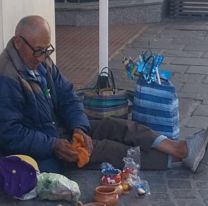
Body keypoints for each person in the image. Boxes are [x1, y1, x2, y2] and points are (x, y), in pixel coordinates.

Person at [0, 15, 207, 174]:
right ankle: (177, 158)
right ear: (18, 43)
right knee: (110, 149)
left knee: (117, 125)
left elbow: (67, 95)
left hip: (60, 129)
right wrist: (54, 144)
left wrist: (78, 127)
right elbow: (10, 134)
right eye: (39, 51)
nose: (43, 56)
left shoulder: (41, 60)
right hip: (44, 147)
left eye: (47, 50)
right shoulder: (7, 77)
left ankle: (179, 147)